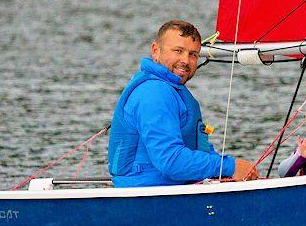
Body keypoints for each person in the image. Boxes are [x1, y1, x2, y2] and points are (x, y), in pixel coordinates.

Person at [108, 20, 258, 187]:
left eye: (193, 54)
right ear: (155, 51)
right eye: (178, 51)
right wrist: (229, 166)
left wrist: (233, 167)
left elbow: (199, 150)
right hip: (146, 195)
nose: (186, 60)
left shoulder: (172, 90)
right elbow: (170, 160)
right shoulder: (154, 93)